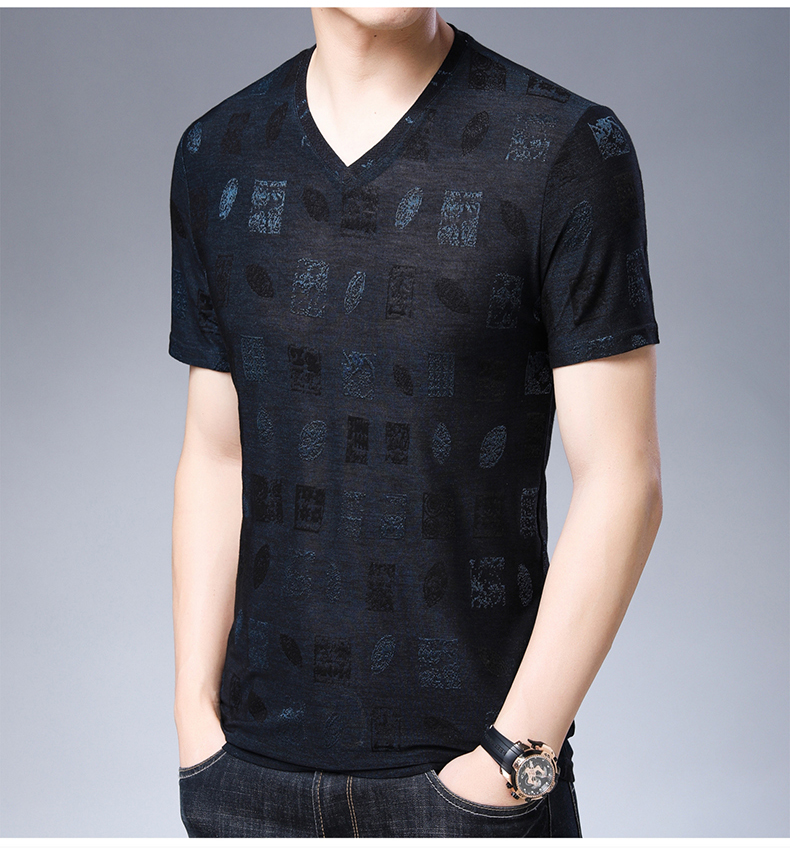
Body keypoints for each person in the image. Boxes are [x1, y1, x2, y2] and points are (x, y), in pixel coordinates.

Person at [169, 7, 662, 838]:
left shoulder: (565, 148)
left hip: (473, 781)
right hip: (247, 780)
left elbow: (625, 481)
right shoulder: (217, 153)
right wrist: (193, 717)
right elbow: (217, 456)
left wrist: (513, 757)